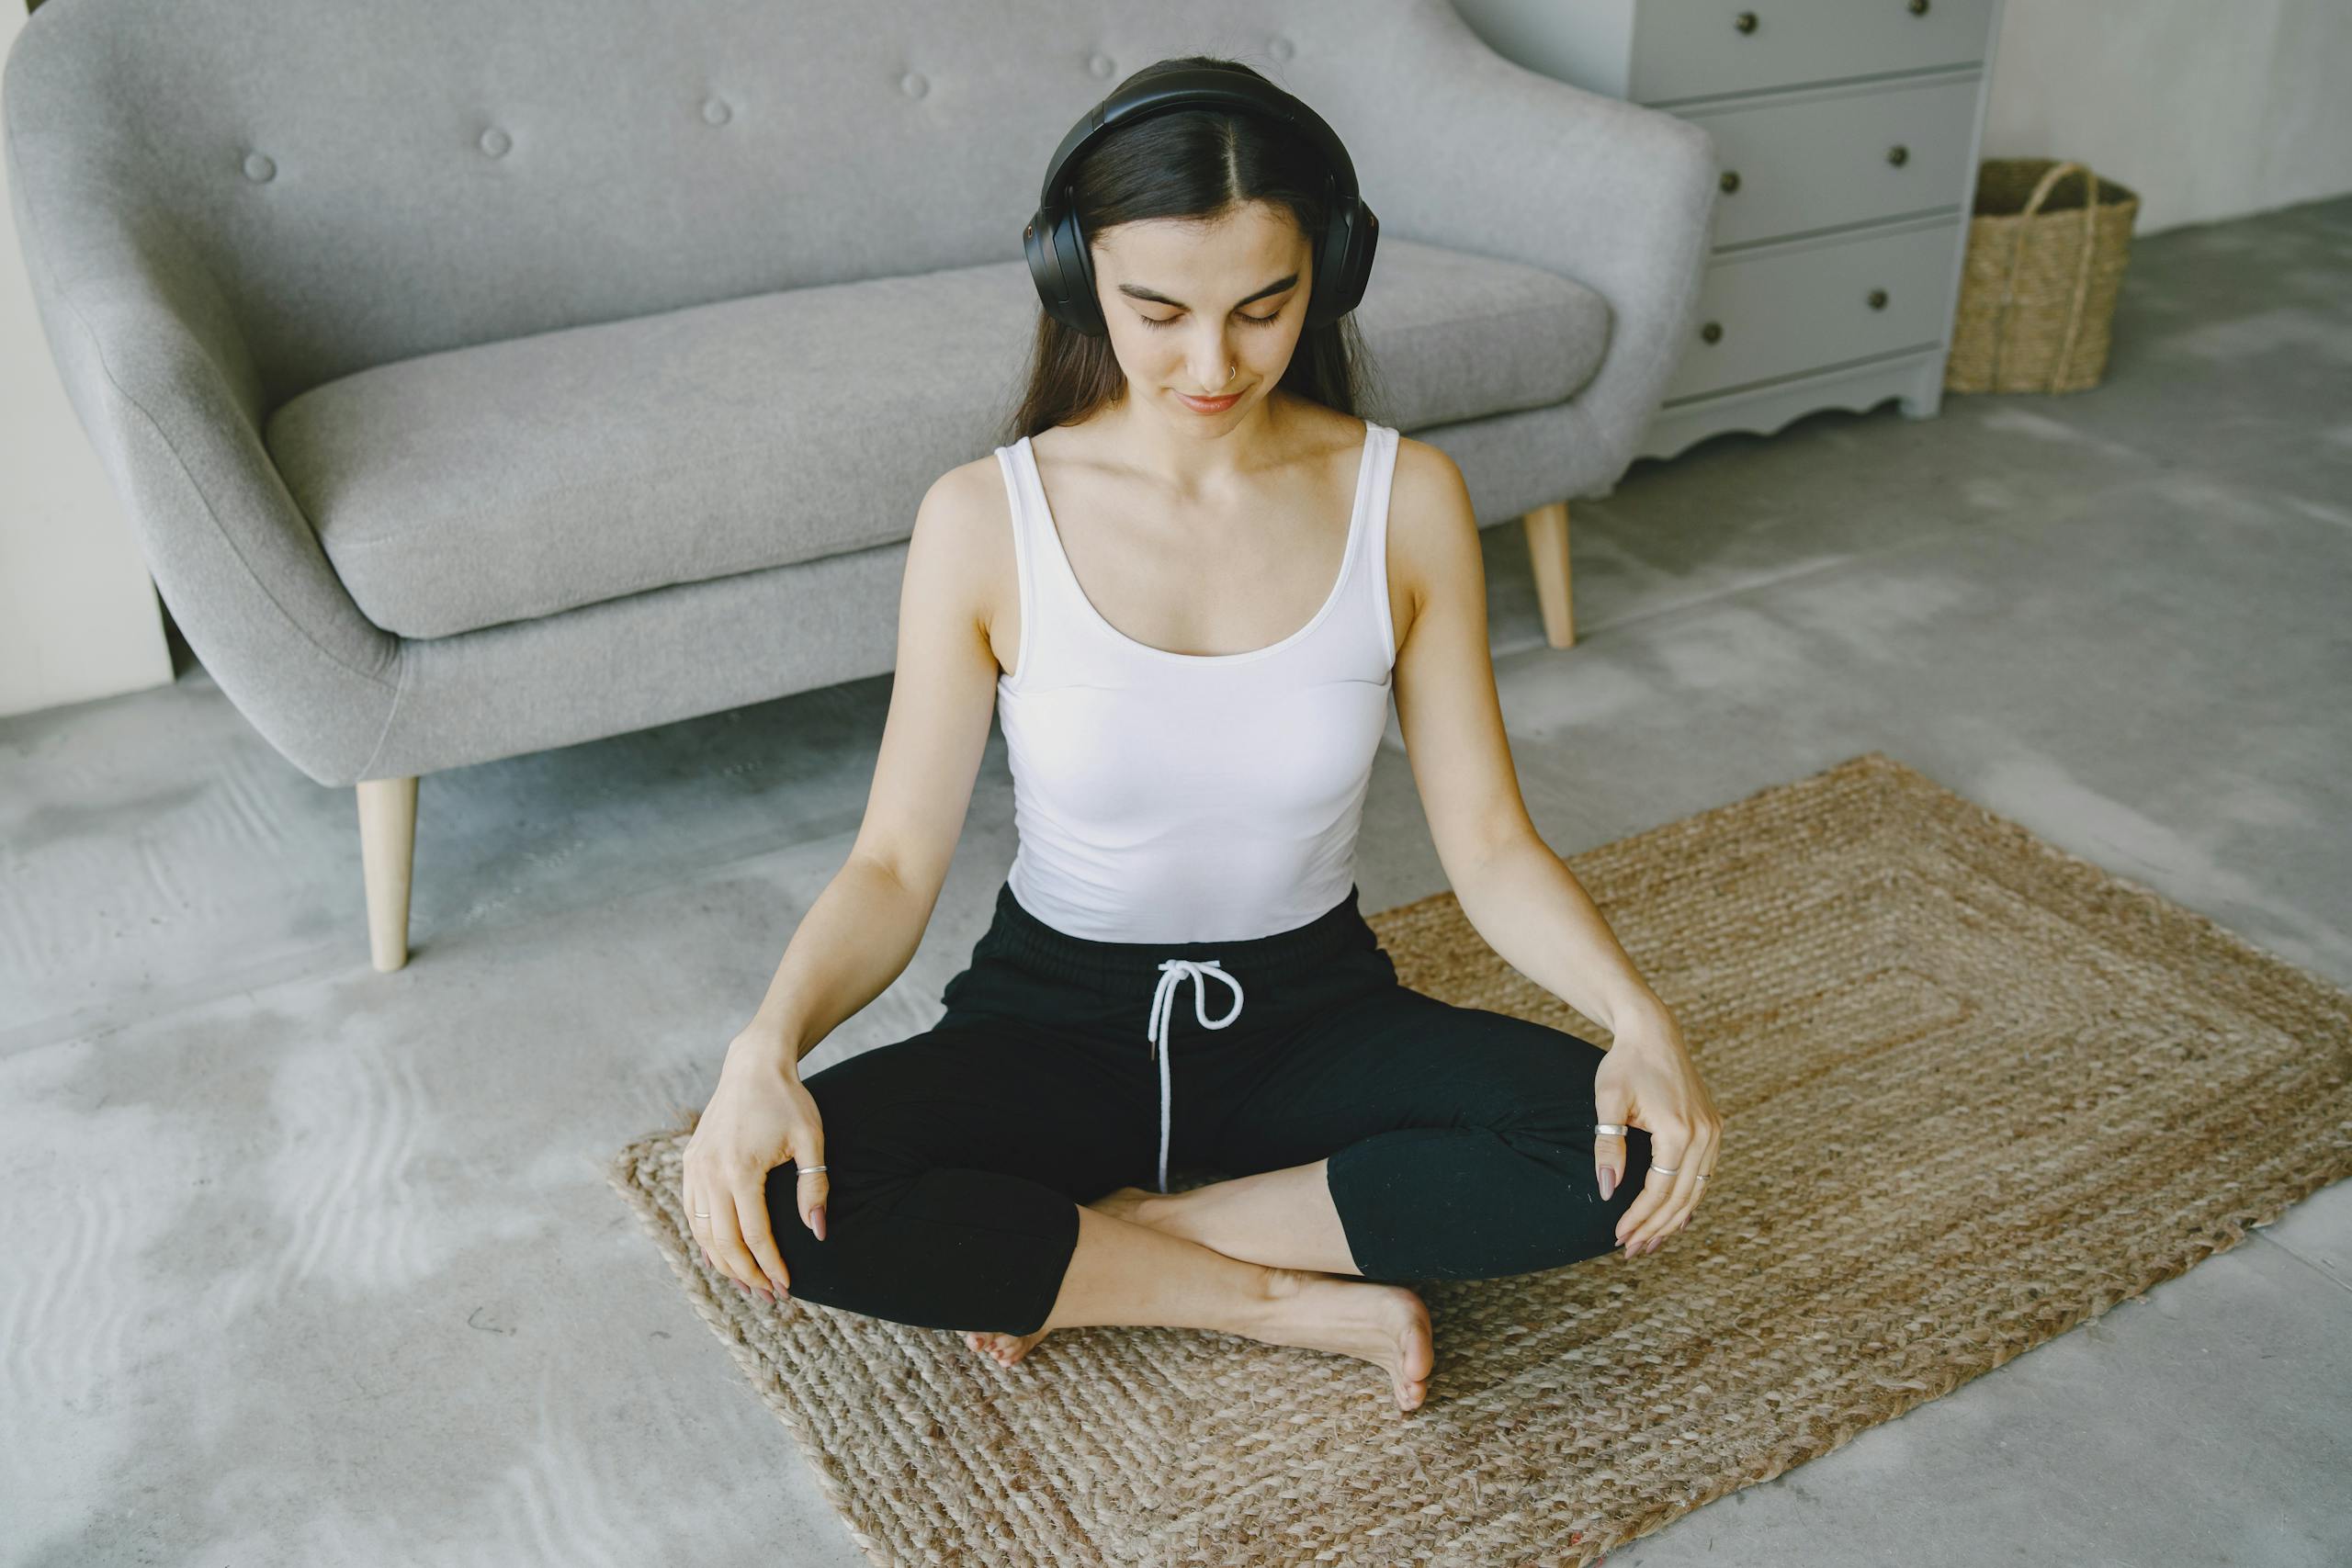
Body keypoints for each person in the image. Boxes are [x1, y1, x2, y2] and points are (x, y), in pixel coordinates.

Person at [682, 56, 1723, 1416]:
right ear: (1076, 279)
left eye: (1263, 308)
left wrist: (1640, 1022)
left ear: (1328, 276)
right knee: (769, 1193)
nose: (1212, 364)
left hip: (1309, 1013)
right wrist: (760, 1047)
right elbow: (891, 862)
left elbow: (1487, 836)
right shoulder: (983, 519)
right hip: (1053, 1017)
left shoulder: (1402, 500)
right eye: (1157, 312)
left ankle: (1116, 1246)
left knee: (1630, 1152)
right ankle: (1271, 1301)